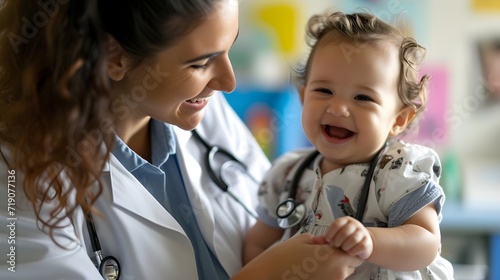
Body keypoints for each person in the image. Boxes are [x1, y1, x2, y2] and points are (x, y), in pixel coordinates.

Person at [0, 1, 363, 279]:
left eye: (228, 49)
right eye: (200, 63)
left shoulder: (200, 109)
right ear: (115, 57)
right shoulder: (16, 176)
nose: (228, 81)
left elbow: (275, 217)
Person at [242, 11, 455, 279]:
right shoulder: (286, 175)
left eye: (363, 97)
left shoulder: (397, 170)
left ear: (399, 118)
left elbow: (426, 242)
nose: (339, 108)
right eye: (324, 91)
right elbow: (257, 243)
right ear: (303, 95)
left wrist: (370, 241)